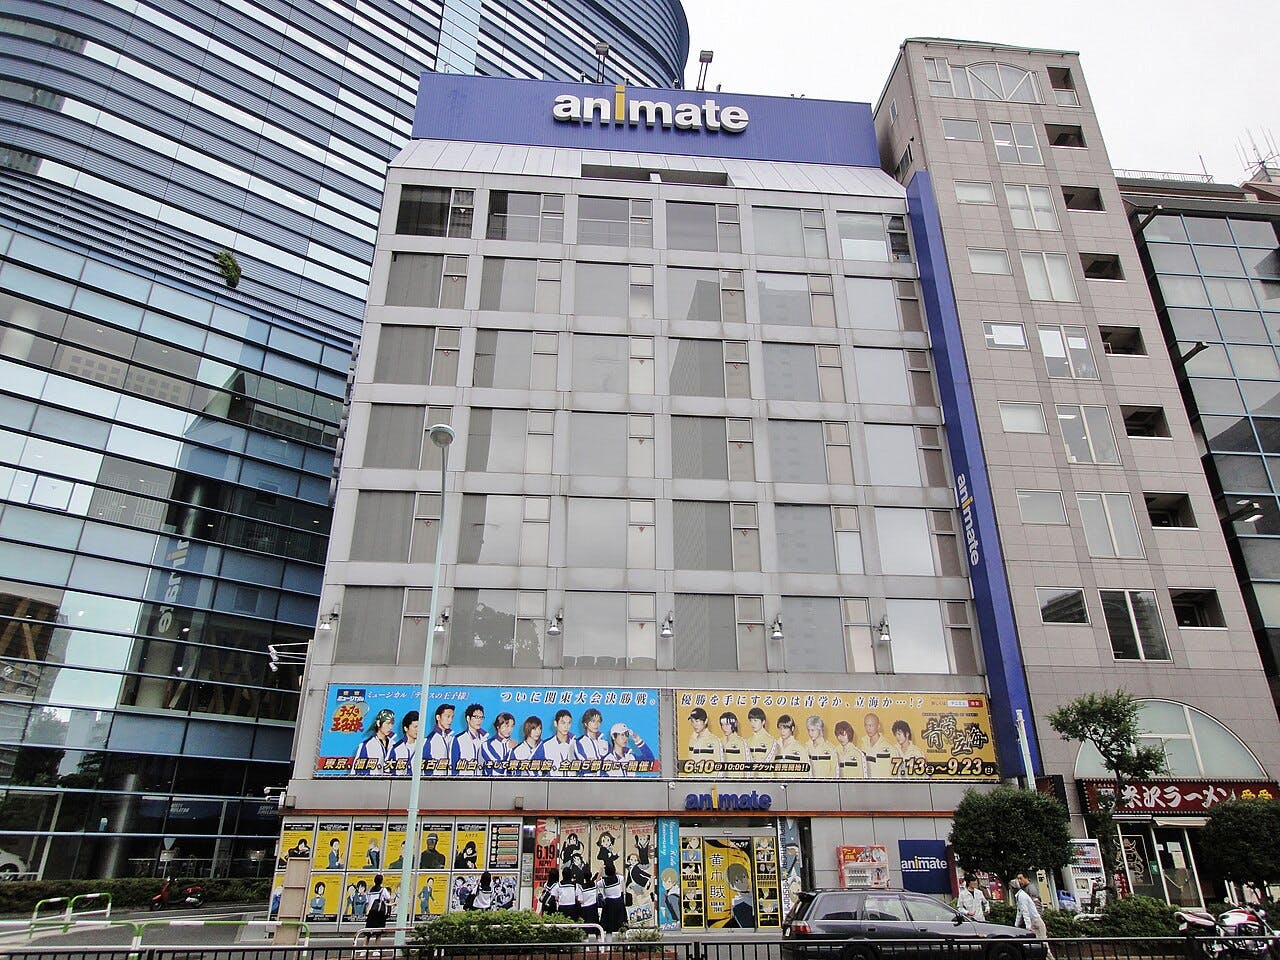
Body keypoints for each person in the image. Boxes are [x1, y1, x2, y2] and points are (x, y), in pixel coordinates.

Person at [1012, 877, 1051, 957]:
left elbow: (1024, 912)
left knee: (1043, 945)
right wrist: (1015, 926)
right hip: (1034, 921)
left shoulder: (1023, 895)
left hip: (1035, 921)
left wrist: (1028, 926)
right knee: (1040, 945)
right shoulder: (1020, 895)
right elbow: (1020, 912)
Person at [533, 709, 577, 776]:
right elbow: (533, 765)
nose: (566, 726)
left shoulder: (576, 744)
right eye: (563, 723)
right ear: (555, 723)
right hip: (552, 784)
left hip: (574, 784)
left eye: (569, 723)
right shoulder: (546, 745)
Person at [353, 709, 395, 775]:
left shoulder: (394, 745)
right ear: (378, 723)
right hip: (372, 784)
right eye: (387, 723)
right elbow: (356, 772)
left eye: (392, 723)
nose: (390, 727)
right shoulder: (367, 745)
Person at [450, 704, 488, 776]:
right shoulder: (459, 739)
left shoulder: (484, 740)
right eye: (476, 717)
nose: (479, 720)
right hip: (463, 781)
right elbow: (453, 765)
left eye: (481, 717)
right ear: (468, 718)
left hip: (482, 782)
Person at [425, 703, 455, 776]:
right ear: (438, 717)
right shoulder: (430, 740)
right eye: (447, 716)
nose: (450, 720)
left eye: (452, 717)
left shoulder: (451, 738)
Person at [389, 710, 419, 776]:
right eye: (415, 727)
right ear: (406, 728)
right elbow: (388, 771)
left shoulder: (424, 746)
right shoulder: (396, 749)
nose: (418, 730)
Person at [726, 862, 756, 928]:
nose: (742, 881)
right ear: (731, 885)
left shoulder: (754, 893)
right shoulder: (738, 904)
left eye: (744, 877)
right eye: (737, 880)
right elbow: (747, 925)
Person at [745, 707, 773, 776]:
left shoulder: (771, 741)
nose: (752, 724)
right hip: (750, 780)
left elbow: (768, 762)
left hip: (766, 780)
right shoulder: (747, 741)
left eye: (755, 720)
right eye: (751, 721)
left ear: (763, 722)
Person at [364, 874, 393, 942]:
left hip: (371, 912)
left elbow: (367, 901)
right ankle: (376, 950)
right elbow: (388, 898)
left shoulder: (370, 890)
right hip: (380, 913)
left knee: (368, 933)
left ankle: (364, 949)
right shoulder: (383, 890)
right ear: (381, 881)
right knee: (378, 933)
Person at [601, 862, 626, 937]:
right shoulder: (618, 878)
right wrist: (615, 871)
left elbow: (596, 882)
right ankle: (623, 942)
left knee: (609, 926)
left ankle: (608, 945)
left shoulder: (603, 882)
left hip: (609, 904)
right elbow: (622, 876)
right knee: (621, 923)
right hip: (619, 903)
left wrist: (600, 871)